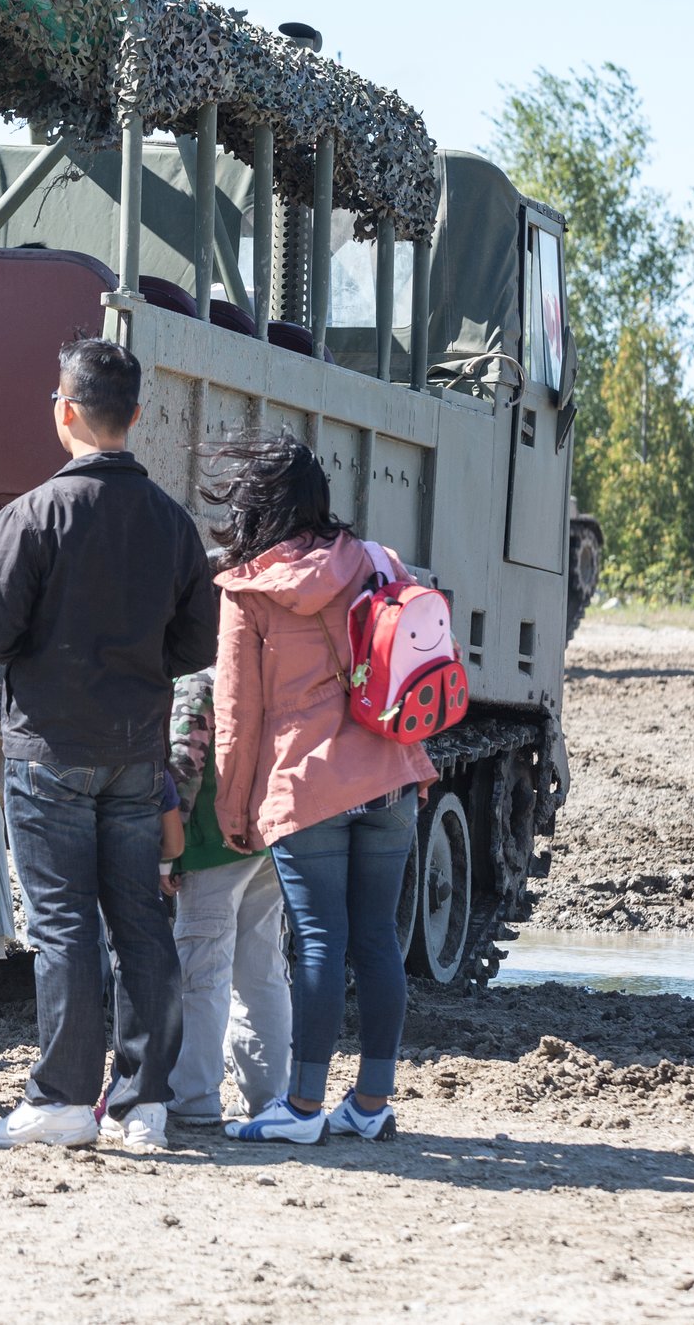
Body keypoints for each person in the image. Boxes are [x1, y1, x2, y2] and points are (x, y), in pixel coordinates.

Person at [0, 337, 218, 1151]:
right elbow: (196, 645)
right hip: (137, 750)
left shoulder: (31, 514)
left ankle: (65, 1099)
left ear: (64, 411)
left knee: (66, 924)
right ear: (136, 416)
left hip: (50, 746)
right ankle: (144, 1104)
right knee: (141, 922)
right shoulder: (174, 524)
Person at [208, 434, 432, 1144]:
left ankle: (303, 1106)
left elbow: (237, 719)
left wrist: (233, 810)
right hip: (392, 774)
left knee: (316, 942)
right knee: (376, 940)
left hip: (307, 789)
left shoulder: (248, 591)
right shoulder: (379, 562)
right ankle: (370, 1102)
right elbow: (411, 663)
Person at [163, 667, 291, 1131]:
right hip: (269, 838)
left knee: (201, 971)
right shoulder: (268, 671)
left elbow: (184, 762)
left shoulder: (198, 681)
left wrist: (168, 854)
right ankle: (270, 1098)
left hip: (212, 845)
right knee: (261, 970)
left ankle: (192, 1096)